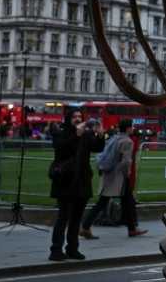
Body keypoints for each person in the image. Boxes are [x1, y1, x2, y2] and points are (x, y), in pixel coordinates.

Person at [49, 108, 103, 261]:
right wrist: (76, 135)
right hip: (65, 179)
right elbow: (60, 149)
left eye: (80, 116)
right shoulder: (61, 132)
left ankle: (72, 248)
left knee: (76, 218)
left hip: (82, 180)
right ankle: (56, 250)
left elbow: (98, 148)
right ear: (68, 118)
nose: (78, 119)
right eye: (74, 116)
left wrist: (100, 134)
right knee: (63, 217)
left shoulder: (86, 134)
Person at [80, 119, 147, 239]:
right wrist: (127, 173)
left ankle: (132, 228)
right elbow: (126, 161)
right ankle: (85, 226)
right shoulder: (127, 141)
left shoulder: (114, 138)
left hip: (108, 174)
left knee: (127, 201)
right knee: (104, 202)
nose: (133, 129)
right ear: (127, 129)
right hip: (119, 176)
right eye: (131, 127)